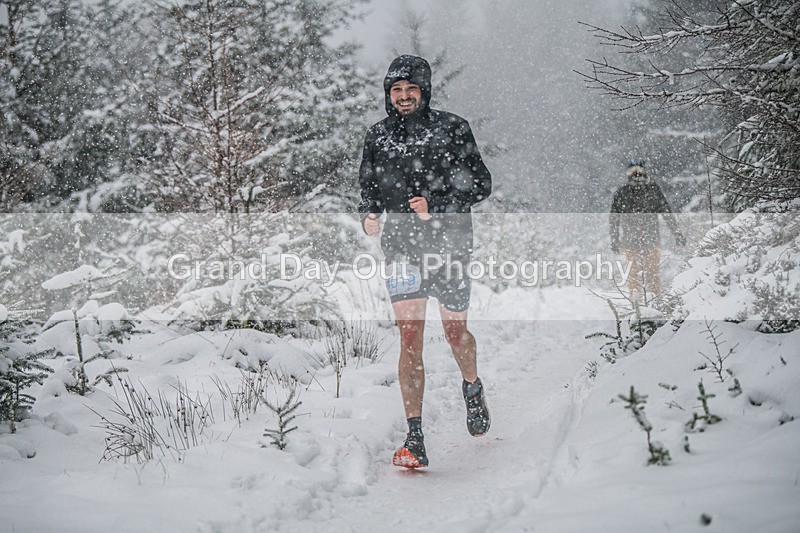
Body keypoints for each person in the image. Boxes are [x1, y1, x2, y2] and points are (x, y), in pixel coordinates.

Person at [358, 55, 492, 468]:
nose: (403, 96)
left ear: (424, 91)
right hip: (400, 249)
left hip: (449, 246)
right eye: (396, 90)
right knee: (410, 340)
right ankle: (414, 436)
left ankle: (472, 386)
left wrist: (437, 205)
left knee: (455, 334)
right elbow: (369, 184)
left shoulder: (452, 128)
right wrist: (369, 211)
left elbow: (480, 183)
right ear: (388, 94)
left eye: (411, 89)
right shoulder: (378, 136)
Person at [609, 160, 685, 301]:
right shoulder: (623, 192)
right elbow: (614, 219)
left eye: (639, 172)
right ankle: (637, 307)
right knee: (635, 276)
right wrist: (614, 239)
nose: (637, 176)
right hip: (634, 242)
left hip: (649, 240)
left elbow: (666, 213)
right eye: (634, 173)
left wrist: (677, 233)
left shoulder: (652, 190)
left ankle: (654, 305)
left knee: (651, 275)